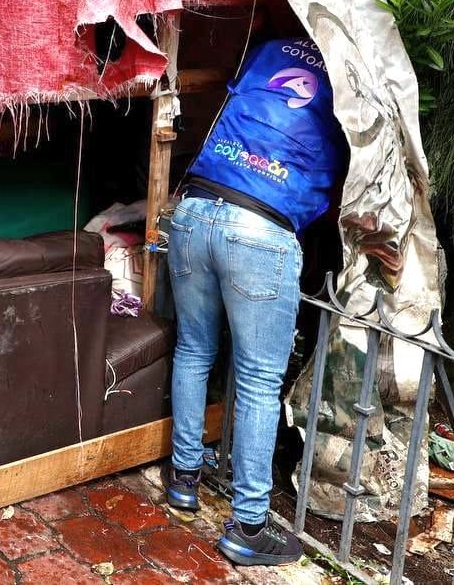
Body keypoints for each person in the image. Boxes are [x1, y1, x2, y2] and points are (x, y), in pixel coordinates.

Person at [163, 37, 348, 567]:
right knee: (260, 381)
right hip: (260, 230)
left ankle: (183, 478)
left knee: (194, 350)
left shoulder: (272, 49)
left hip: (195, 210)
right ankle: (247, 525)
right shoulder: (353, 74)